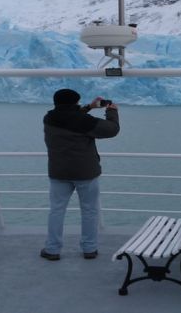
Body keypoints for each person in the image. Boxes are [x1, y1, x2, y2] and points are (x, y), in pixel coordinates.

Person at [40, 88, 120, 261]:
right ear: (74, 103)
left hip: (58, 172)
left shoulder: (49, 119)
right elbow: (112, 130)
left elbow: (68, 118)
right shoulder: (84, 122)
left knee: (56, 210)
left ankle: (52, 249)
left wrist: (89, 107)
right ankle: (89, 249)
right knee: (90, 210)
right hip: (86, 173)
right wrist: (112, 112)